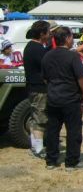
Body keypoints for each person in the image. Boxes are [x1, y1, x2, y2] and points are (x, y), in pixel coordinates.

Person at [41, 27, 83, 171]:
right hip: (70, 98)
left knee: (52, 130)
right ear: (67, 38)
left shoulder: (47, 56)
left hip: (53, 97)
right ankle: (72, 161)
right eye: (71, 37)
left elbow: (44, 78)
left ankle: (51, 160)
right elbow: (81, 77)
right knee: (73, 130)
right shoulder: (72, 56)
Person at [23, 20, 55, 158]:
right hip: (39, 89)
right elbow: (46, 67)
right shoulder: (36, 49)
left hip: (34, 87)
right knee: (40, 119)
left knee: (36, 116)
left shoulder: (31, 47)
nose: (50, 34)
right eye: (48, 32)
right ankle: (38, 149)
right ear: (42, 34)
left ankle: (36, 146)